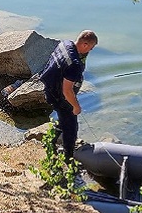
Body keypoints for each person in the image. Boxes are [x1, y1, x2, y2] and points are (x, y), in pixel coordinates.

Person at [39, 30, 98, 160]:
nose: (90, 51)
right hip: (59, 95)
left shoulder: (65, 44)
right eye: (91, 48)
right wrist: (76, 106)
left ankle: (50, 142)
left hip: (49, 86)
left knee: (63, 120)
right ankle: (68, 157)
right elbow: (67, 90)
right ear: (85, 45)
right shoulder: (74, 64)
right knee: (71, 126)